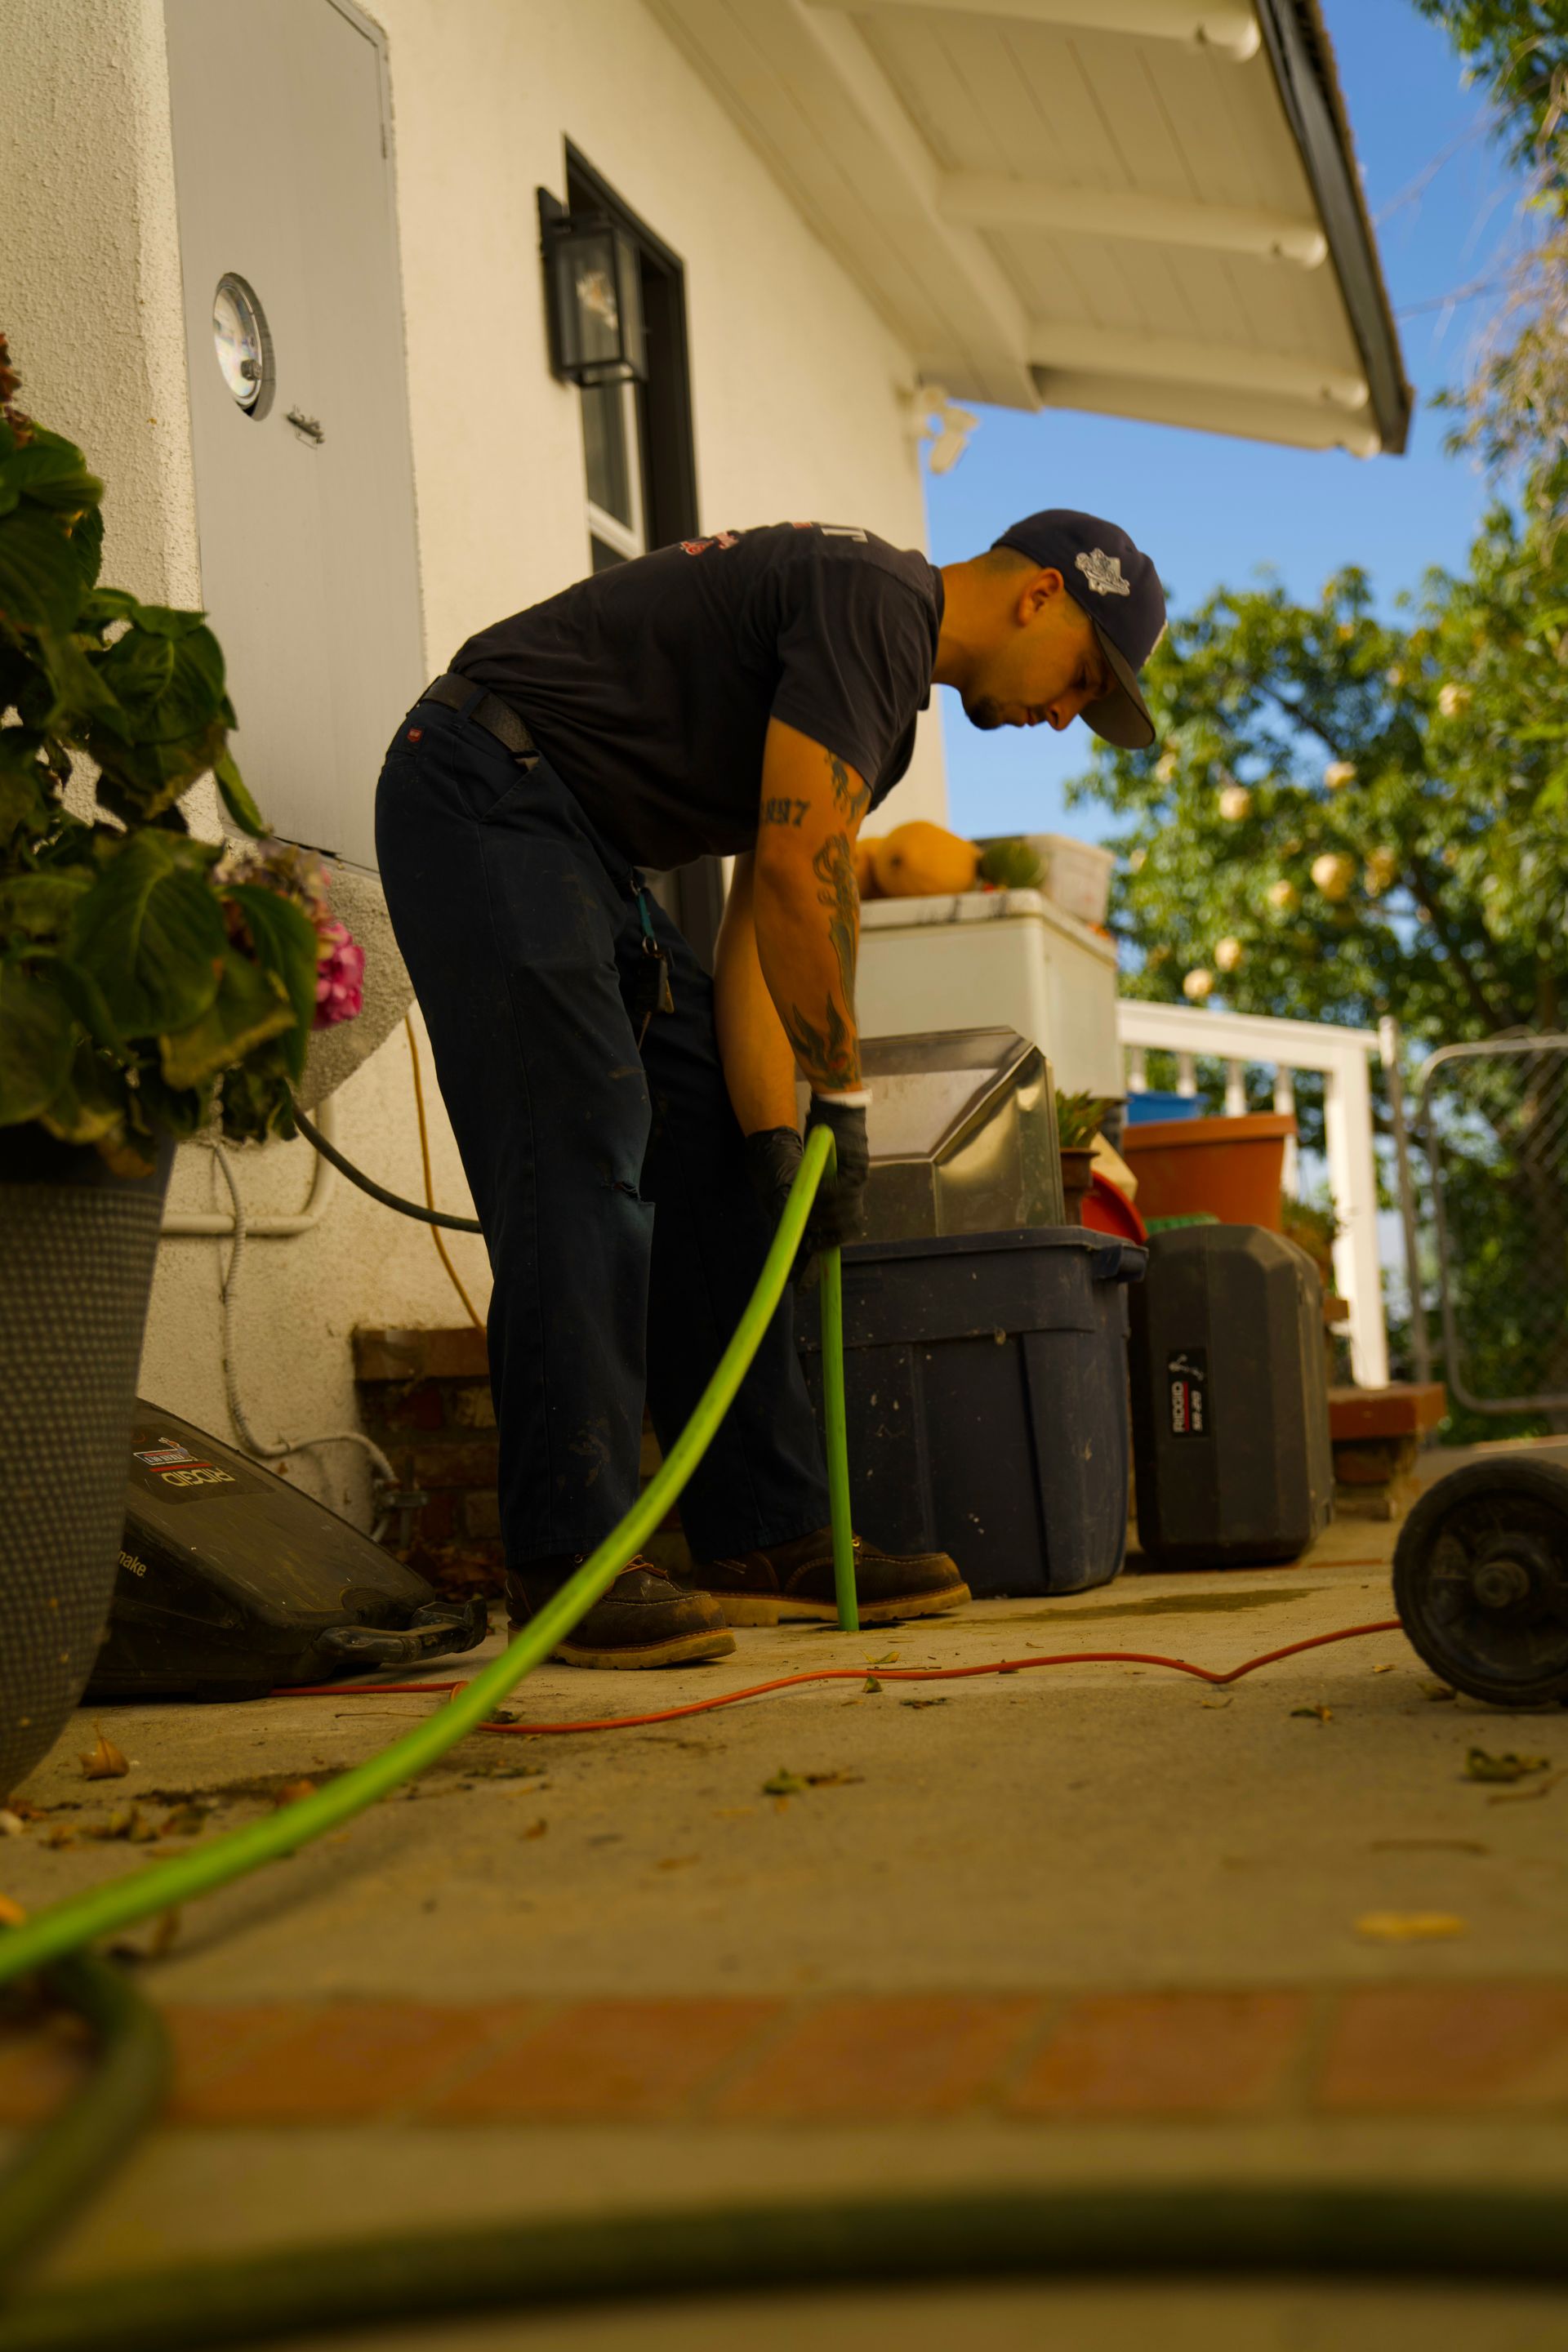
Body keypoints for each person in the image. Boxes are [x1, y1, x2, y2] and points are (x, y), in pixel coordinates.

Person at [375, 509, 1165, 1668]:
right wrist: (844, 1098)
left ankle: (762, 1532)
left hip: (581, 845)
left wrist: (777, 1138)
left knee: (713, 1150)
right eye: (1083, 679)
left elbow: (757, 925)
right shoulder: (876, 602)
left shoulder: (881, 705)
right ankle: (570, 1557)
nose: (1064, 717)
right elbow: (802, 875)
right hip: (484, 789)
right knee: (586, 1150)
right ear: (1040, 594)